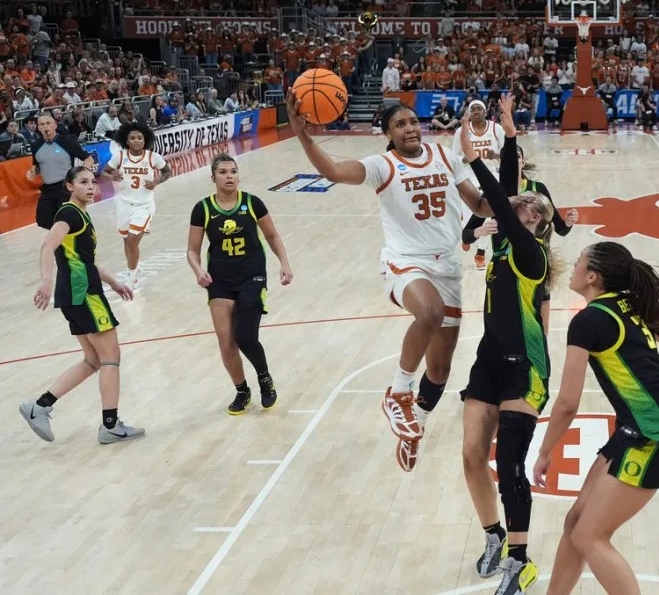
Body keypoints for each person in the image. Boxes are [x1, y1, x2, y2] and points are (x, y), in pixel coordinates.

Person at [284, 91, 489, 472]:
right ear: (388, 134)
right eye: (399, 125)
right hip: (405, 262)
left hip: (447, 267)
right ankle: (398, 391)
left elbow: (479, 205)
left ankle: (416, 426)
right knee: (430, 312)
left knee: (440, 370)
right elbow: (333, 172)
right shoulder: (382, 166)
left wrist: (510, 201)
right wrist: (303, 134)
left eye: (413, 122)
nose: (409, 128)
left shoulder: (444, 156)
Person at [533, 241, 659, 595]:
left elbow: (567, 403)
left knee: (589, 536)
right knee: (575, 523)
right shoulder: (627, 304)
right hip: (635, 429)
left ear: (592, 277)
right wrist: (655, 386)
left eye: (580, 261)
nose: (574, 266)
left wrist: (544, 451)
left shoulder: (588, 322)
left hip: (658, 437)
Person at [458, 95, 557, 595]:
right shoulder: (501, 244)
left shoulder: (531, 253)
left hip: (526, 368)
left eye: (531, 206)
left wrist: (473, 158)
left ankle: (521, 560)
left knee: (511, 465)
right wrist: (509, 136)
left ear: (537, 222)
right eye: (521, 202)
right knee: (471, 456)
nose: (523, 204)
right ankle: (493, 535)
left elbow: (500, 196)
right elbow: (505, 186)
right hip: (489, 360)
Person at [21, 167, 144, 444]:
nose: (90, 187)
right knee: (111, 357)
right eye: (83, 182)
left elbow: (83, 259)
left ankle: (39, 407)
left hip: (74, 295)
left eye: (92, 182)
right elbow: (47, 246)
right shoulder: (69, 214)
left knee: (93, 360)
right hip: (84, 293)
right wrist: (45, 280)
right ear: (69, 186)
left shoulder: (80, 214)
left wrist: (113, 282)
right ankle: (110, 425)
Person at [186, 154, 293, 414]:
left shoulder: (252, 203)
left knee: (245, 336)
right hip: (219, 280)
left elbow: (272, 235)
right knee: (226, 343)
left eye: (233, 171)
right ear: (213, 178)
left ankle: (264, 378)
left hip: (251, 277)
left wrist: (284, 263)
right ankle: (242, 390)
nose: (229, 176)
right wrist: (198, 270)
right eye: (223, 172)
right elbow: (192, 250)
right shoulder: (203, 208)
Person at [462, 143, 577, 332]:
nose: (512, 160)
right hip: (503, 265)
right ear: (501, 163)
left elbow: (560, 229)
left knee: (538, 326)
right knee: (501, 323)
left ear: (523, 162)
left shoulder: (536, 189)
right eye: (507, 157)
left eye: (516, 156)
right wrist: (479, 232)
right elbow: (466, 236)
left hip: (533, 261)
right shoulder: (495, 194)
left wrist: (568, 223)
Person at [103, 123, 172, 288]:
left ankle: (131, 277)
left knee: (132, 241)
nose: (136, 141)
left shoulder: (153, 157)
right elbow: (104, 173)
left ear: (145, 140)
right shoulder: (120, 156)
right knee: (126, 240)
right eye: (132, 138)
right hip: (124, 203)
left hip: (144, 204)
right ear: (126, 141)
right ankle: (134, 267)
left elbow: (167, 172)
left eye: (140, 138)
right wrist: (112, 177)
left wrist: (156, 181)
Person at [451, 99, 504, 270]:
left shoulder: (496, 129)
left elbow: (509, 154)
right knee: (468, 221)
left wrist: (496, 156)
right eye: (472, 109)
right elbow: (453, 157)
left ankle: (480, 253)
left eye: (479, 108)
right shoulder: (461, 131)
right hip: (468, 180)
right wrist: (464, 159)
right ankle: (468, 237)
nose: (475, 111)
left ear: (485, 112)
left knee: (489, 220)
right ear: (468, 113)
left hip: (491, 179)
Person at [27, 112, 96, 229]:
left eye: (48, 123)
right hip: (47, 189)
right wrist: (32, 173)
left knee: (68, 219)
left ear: (54, 125)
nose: (45, 126)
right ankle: (62, 236)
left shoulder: (67, 142)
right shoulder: (35, 146)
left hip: (65, 187)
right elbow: (37, 166)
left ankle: (83, 234)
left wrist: (82, 175)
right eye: (42, 124)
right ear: (38, 128)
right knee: (43, 220)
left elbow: (88, 159)